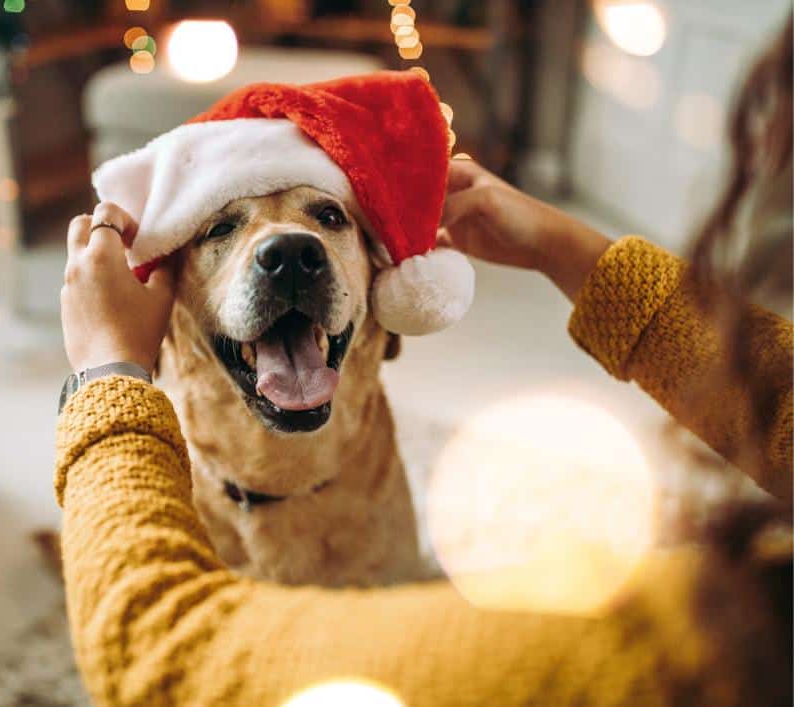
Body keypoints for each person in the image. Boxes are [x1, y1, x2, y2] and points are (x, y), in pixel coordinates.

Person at [55, 22, 791, 707]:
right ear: (174, 297)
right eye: (222, 228)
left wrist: (107, 372)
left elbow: (160, 655)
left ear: (385, 298)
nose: (287, 245)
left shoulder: (642, 653)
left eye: (327, 218)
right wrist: (561, 247)